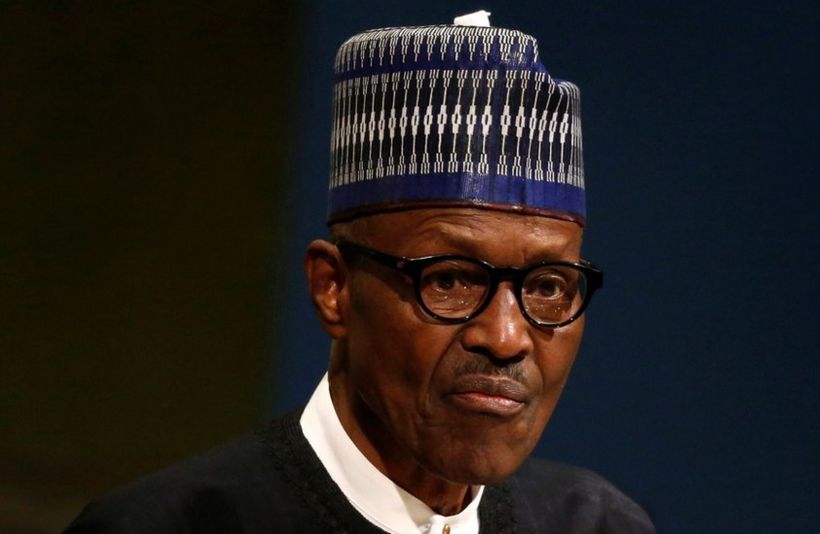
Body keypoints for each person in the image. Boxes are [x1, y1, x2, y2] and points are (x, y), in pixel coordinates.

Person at [67, 13, 655, 533]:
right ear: (334, 288)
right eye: (450, 280)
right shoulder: (172, 525)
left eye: (547, 287)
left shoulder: (596, 524)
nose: (505, 337)